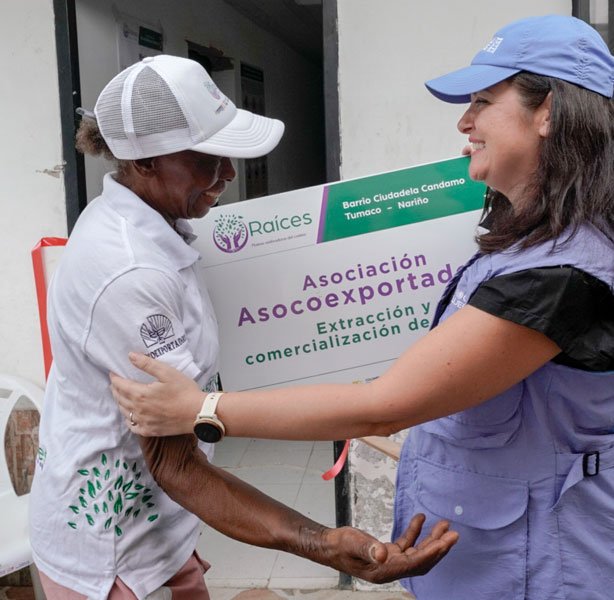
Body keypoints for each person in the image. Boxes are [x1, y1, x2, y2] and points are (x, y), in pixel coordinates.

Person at [110, 15, 614, 600]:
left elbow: (382, 407)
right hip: (512, 548)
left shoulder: (557, 277)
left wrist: (199, 408)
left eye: (482, 101)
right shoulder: (548, 239)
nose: (464, 121)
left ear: (548, 111)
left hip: (544, 566)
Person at [28, 54, 458, 600]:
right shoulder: (128, 271)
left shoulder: (158, 220)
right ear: (143, 162)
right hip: (111, 556)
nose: (228, 174)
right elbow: (175, 464)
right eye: (208, 157)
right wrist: (321, 542)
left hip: (159, 526)